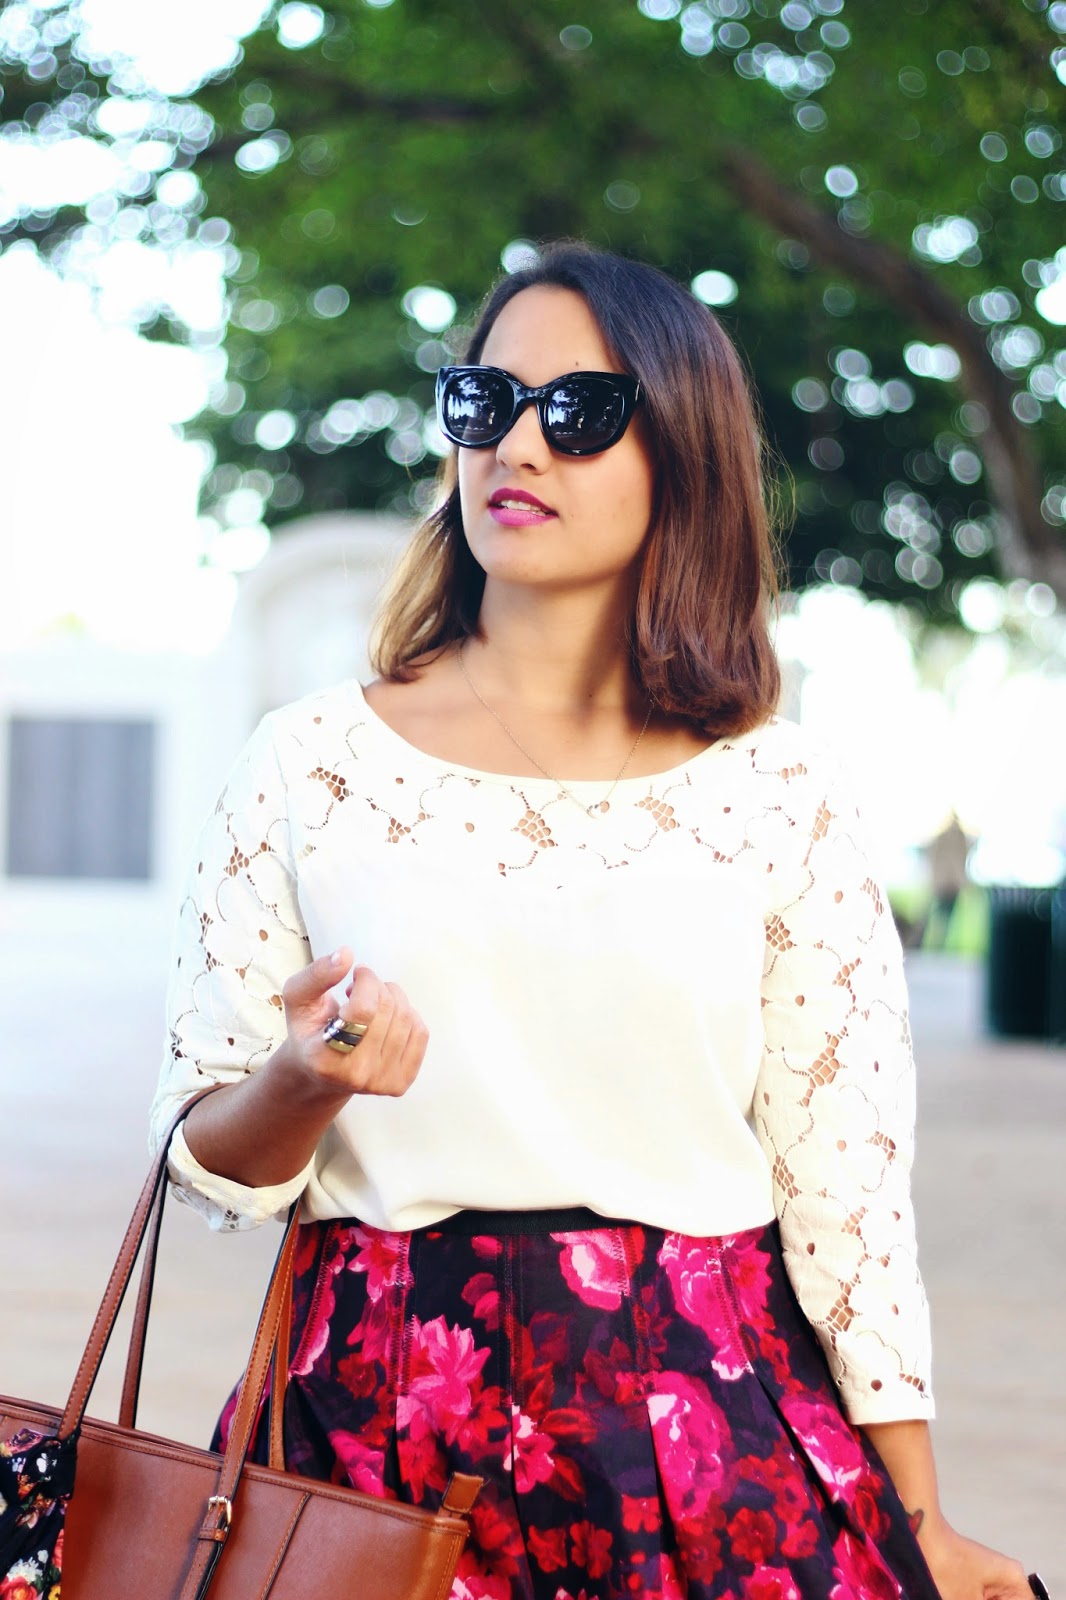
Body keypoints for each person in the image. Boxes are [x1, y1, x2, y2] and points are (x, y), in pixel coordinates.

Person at [152, 243, 1033, 1599]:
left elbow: (845, 1195)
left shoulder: (774, 790)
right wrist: (304, 1078)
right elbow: (205, 1152)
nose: (518, 445)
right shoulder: (311, 762)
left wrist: (917, 1517)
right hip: (365, 1436)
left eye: (579, 412)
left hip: (705, 1438)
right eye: (485, 402)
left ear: (681, 455)